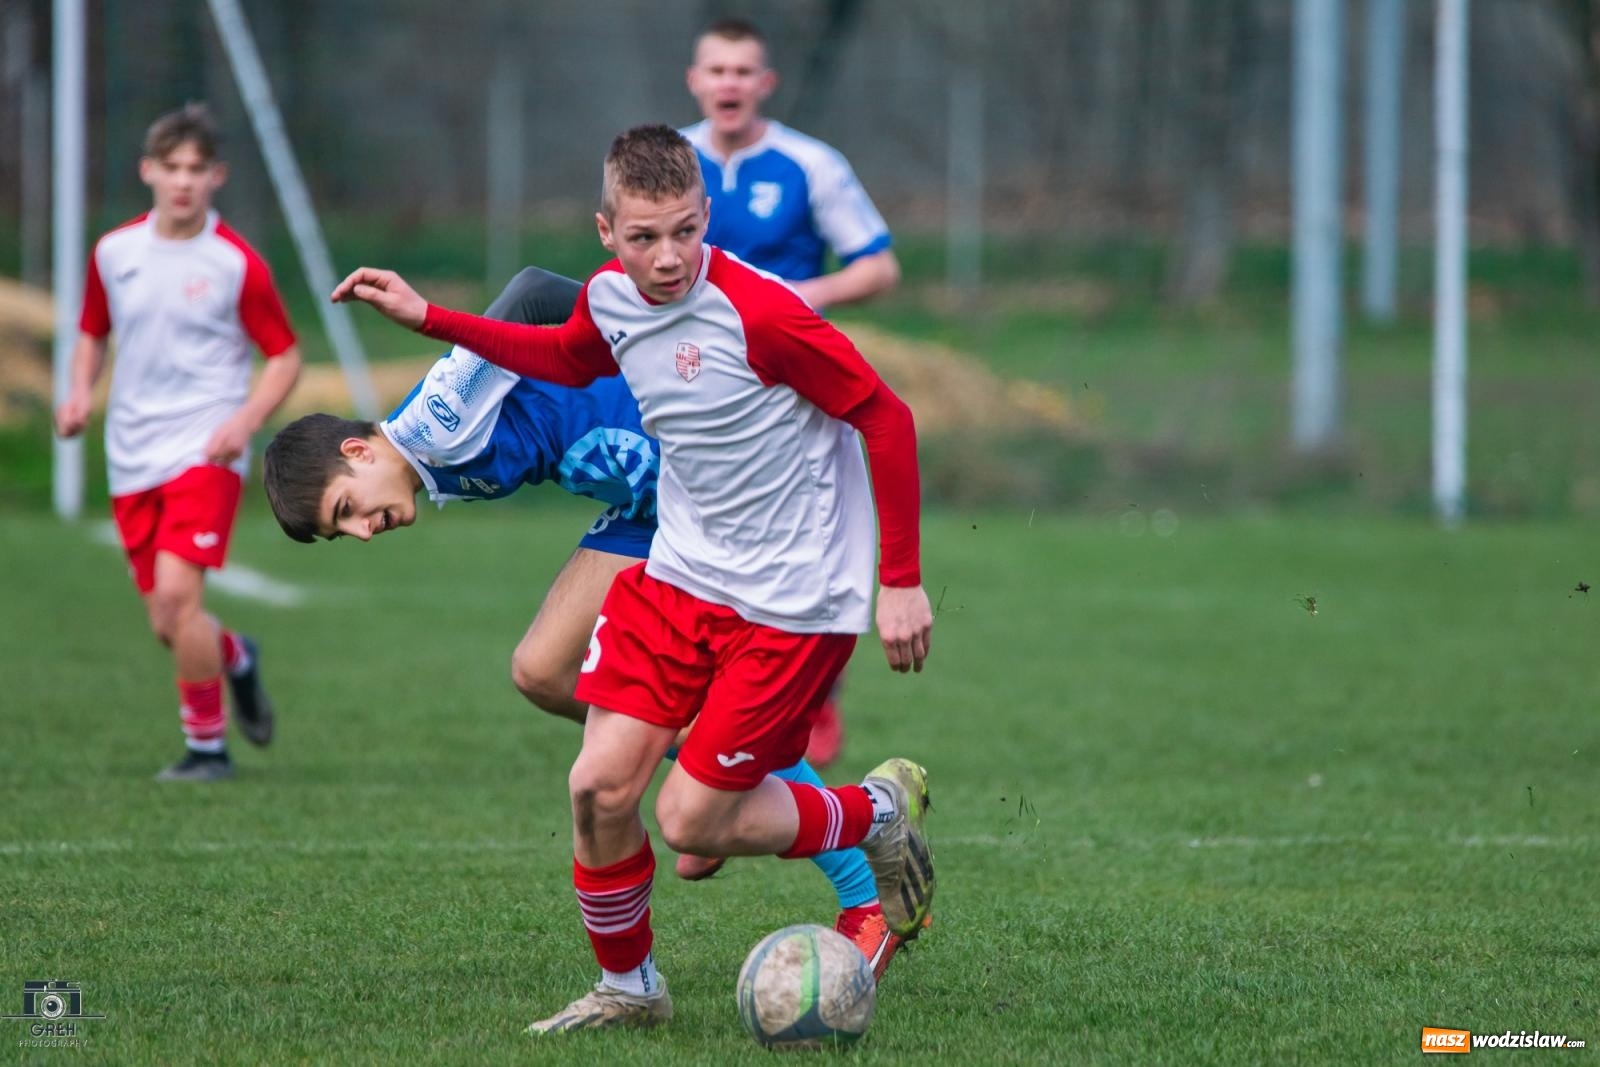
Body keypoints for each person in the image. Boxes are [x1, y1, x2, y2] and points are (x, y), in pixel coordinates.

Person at [330, 125, 934, 1034]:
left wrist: (901, 581)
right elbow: (566, 356)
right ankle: (631, 987)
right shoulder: (614, 297)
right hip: (682, 570)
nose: (667, 258)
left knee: (694, 820)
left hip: (792, 596)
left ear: (705, 218)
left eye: (686, 232)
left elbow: (886, 417)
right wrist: (431, 318)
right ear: (606, 231)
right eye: (644, 237)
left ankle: (877, 813)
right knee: (599, 785)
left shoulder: (761, 315)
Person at [261, 266, 913, 980]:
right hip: (643, 497)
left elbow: (535, 288)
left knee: (624, 700)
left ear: (358, 452)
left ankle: (859, 884)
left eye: (346, 509)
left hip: (704, 481)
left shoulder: (436, 418)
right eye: (341, 533)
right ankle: (712, 787)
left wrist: (648, 342)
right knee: (542, 668)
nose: (361, 531)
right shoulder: (422, 462)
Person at [54, 103, 301, 782]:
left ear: (216, 176)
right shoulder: (114, 252)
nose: (184, 182)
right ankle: (237, 657)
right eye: (172, 168)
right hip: (131, 451)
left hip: (206, 450)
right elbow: (92, 332)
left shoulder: (235, 264)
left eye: (197, 170)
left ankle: (207, 748)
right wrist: (79, 391)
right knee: (170, 623)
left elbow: (283, 355)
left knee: (175, 602)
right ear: (148, 171)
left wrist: (244, 421)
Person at [684, 16, 903, 769]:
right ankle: (717, 702)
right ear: (696, 82)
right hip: (696, 393)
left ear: (764, 84)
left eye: (743, 71)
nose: (729, 84)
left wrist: (795, 295)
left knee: (803, 549)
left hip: (791, 392)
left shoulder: (810, 164)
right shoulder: (671, 163)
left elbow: (878, 267)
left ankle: (819, 699)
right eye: (717, 71)